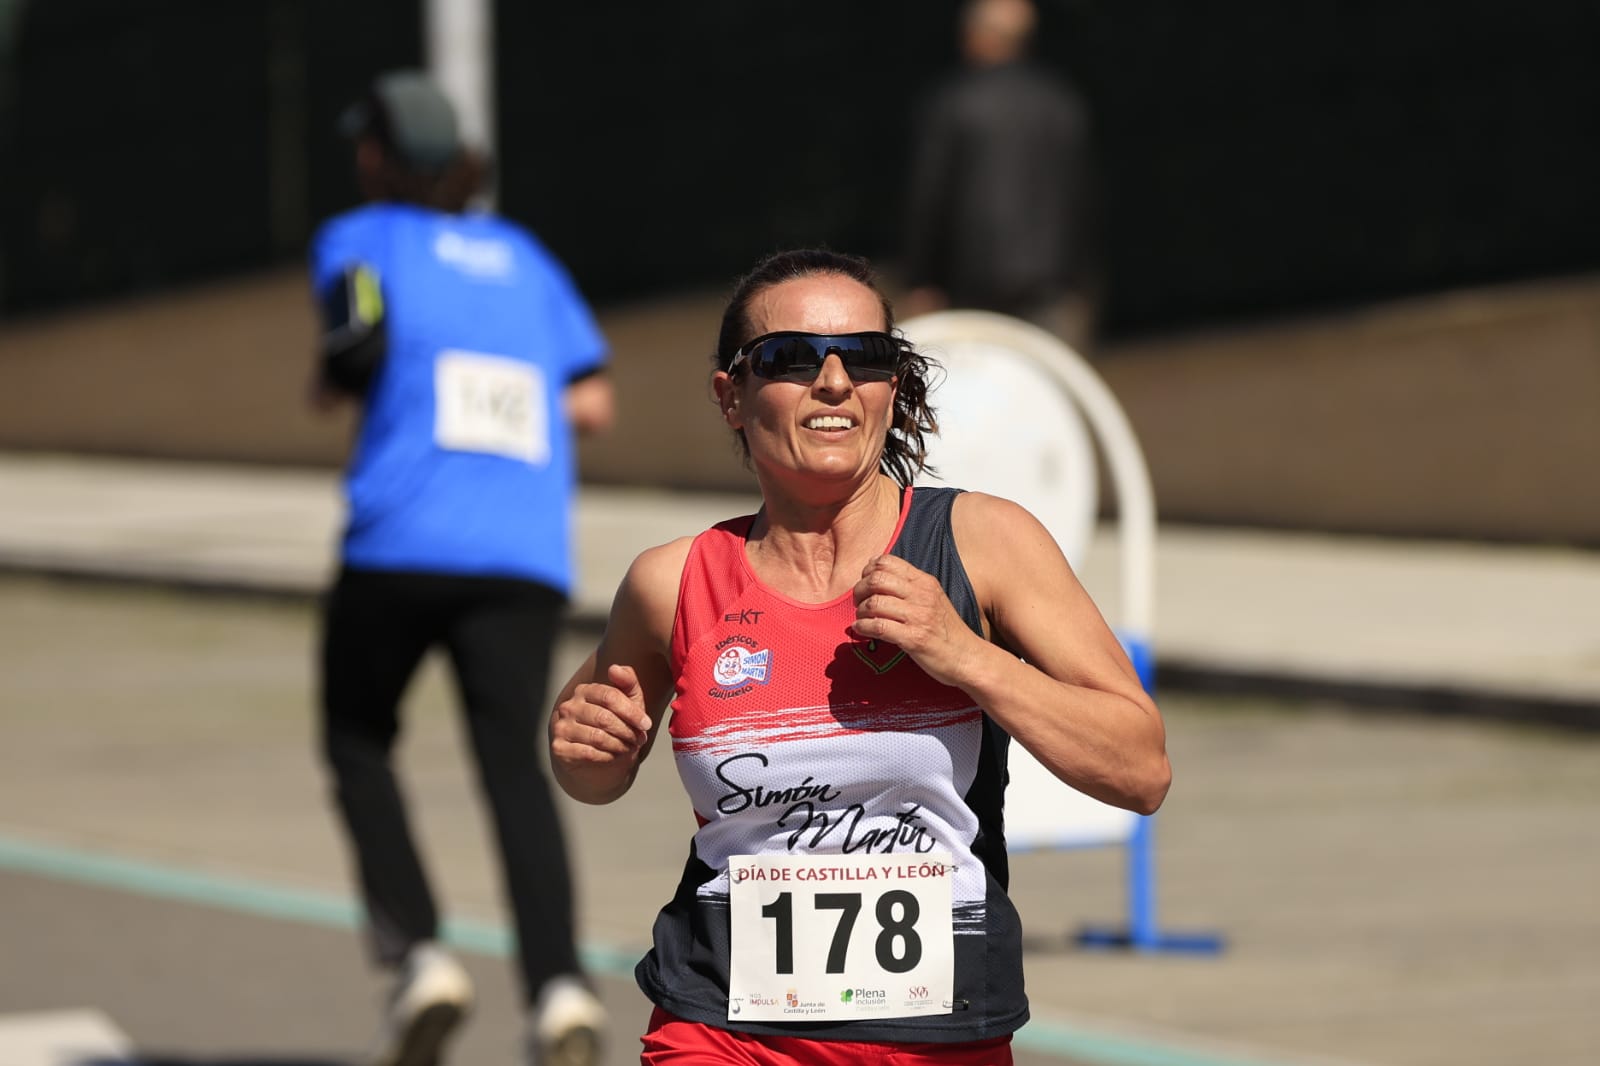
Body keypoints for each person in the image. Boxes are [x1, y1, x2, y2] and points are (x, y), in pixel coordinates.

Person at [548, 247, 1169, 1064]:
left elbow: (1139, 768)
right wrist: (586, 746)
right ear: (730, 395)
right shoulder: (674, 582)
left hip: (935, 1033)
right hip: (722, 1023)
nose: (834, 381)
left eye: (867, 358)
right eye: (790, 358)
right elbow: (591, 771)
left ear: (893, 386)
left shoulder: (982, 544)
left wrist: (966, 656)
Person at [308, 69, 614, 1066]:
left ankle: (419, 956)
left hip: (397, 543)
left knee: (356, 735)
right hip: (520, 554)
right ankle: (559, 988)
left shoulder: (359, 241)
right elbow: (591, 402)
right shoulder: (528, 259)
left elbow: (351, 347)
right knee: (511, 769)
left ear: (378, 156)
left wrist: (342, 378)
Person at [902, 0, 1099, 353]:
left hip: (975, 286)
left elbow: (930, 198)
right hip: (1053, 284)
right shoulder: (1060, 101)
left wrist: (923, 279)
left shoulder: (954, 104)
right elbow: (1082, 196)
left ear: (978, 36)